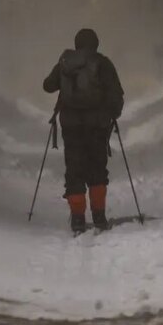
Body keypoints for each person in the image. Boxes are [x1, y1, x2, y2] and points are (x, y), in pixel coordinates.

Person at [43, 28, 124, 234]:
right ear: (96, 44)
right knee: (97, 167)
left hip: (71, 125)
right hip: (97, 125)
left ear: (77, 43)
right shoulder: (103, 63)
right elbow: (115, 93)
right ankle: (99, 216)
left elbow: (48, 86)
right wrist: (113, 113)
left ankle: (78, 218)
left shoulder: (66, 62)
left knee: (74, 168)